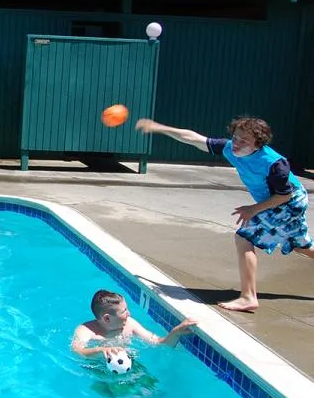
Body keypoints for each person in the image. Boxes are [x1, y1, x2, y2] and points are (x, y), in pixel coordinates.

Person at [136, 116, 314, 312]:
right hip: (280, 200)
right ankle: (248, 295)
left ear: (258, 142)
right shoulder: (229, 148)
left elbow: (284, 196)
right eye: (236, 137)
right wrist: (159, 127)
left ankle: (248, 297)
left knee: (244, 237)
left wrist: (252, 209)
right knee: (299, 246)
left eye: (244, 140)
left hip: (289, 202)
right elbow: (195, 139)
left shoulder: (274, 163)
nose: (236, 144)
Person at [71, 290, 196, 360]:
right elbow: (77, 351)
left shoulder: (129, 325)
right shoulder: (85, 330)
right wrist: (101, 350)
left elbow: (158, 343)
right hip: (98, 369)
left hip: (129, 364)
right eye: (124, 311)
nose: (129, 314)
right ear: (107, 318)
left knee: (151, 389)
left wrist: (175, 332)